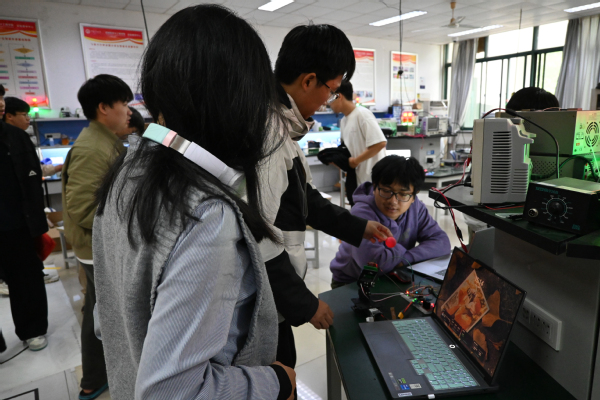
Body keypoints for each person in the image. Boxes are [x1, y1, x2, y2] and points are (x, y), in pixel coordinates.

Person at [93, 5, 295, 400]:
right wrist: (277, 381)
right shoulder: (206, 215)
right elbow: (171, 392)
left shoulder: (126, 173)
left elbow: (109, 318)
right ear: (240, 103)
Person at [259, 24, 392, 369]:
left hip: (274, 297)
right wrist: (305, 304)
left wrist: (359, 227)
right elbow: (258, 238)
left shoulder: (281, 127)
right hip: (265, 301)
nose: (328, 103)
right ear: (308, 81)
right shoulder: (268, 136)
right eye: (330, 91)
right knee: (279, 376)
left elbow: (306, 200)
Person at [62, 74, 133, 400]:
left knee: (97, 309)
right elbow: (82, 208)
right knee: (110, 316)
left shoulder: (105, 140)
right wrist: (130, 222)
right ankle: (102, 378)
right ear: (104, 108)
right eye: (124, 103)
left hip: (98, 246)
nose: (128, 111)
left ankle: (93, 379)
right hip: (95, 249)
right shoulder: (92, 148)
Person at [330, 156, 451, 287]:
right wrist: (403, 257)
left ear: (414, 196)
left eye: (403, 194)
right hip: (351, 282)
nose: (393, 201)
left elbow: (442, 242)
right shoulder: (361, 213)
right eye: (386, 191)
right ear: (374, 187)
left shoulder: (416, 208)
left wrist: (405, 259)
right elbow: (375, 264)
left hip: (394, 273)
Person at [0, 84, 50, 351]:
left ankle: (32, 329)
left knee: (26, 280)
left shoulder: (17, 137)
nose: (0, 103)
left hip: (17, 224)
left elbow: (32, 178)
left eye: (0, 97)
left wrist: (37, 219)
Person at [329, 81, 387, 187]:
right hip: (361, 179)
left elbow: (380, 143)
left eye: (330, 99)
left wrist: (356, 161)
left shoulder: (362, 114)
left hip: (375, 179)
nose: (329, 104)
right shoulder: (344, 121)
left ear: (339, 96)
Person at [3, 97, 62, 176]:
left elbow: (31, 169)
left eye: (28, 115)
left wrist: (57, 168)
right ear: (9, 116)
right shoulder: (6, 142)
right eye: (24, 115)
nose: (28, 118)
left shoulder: (22, 137)